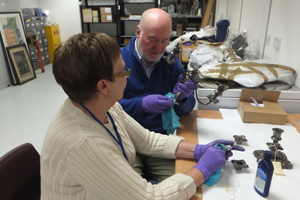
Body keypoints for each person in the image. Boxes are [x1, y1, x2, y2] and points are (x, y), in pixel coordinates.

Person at [40, 32, 244, 199]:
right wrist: (204, 168)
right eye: (123, 70)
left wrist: (199, 150)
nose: (128, 73)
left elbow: (146, 140)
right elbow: (150, 198)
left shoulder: (100, 105)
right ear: (103, 86)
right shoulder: (83, 143)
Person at [119, 8, 196, 181]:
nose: (159, 48)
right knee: (128, 189)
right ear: (138, 32)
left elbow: (186, 110)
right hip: (126, 140)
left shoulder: (171, 63)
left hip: (159, 142)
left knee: (182, 184)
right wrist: (141, 105)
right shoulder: (117, 61)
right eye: (153, 40)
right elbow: (103, 107)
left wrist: (183, 98)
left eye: (165, 41)